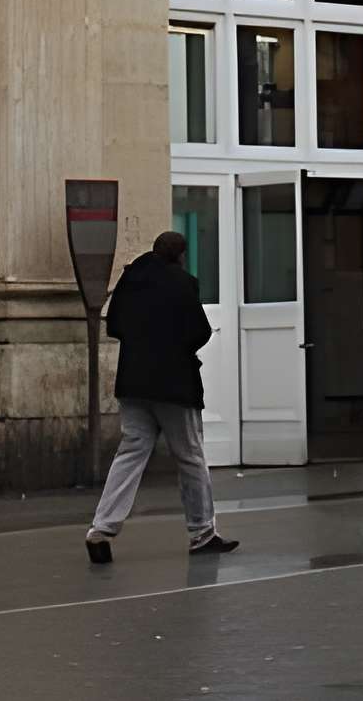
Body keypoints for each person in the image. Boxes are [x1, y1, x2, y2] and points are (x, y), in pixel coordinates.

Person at [85, 231, 238, 563]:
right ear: (180, 255)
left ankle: (101, 529)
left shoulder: (131, 280)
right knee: (191, 456)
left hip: (134, 383)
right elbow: (199, 331)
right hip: (173, 385)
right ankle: (202, 533)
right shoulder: (182, 283)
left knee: (130, 453)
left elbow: (115, 325)